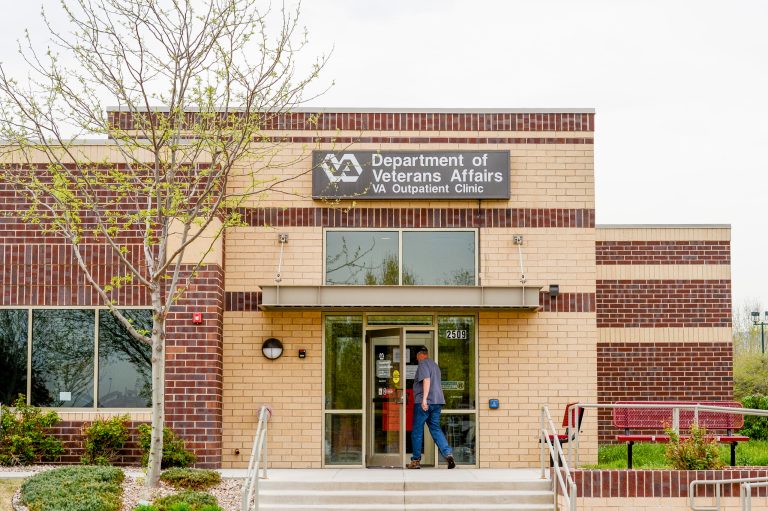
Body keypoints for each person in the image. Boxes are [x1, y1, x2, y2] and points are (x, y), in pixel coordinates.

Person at [406, 345, 455, 469]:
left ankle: (415, 460)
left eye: (416, 357)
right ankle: (448, 454)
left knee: (417, 431)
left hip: (425, 403)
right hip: (437, 402)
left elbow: (426, 380)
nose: (417, 360)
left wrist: (424, 400)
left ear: (419, 355)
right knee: (435, 429)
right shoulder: (435, 365)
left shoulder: (423, 364)